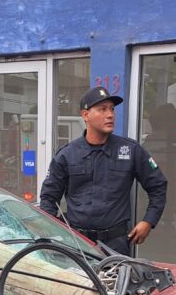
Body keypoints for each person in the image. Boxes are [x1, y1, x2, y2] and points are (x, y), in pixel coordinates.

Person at [40, 86, 168, 256]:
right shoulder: (67, 155)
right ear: (86, 115)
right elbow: (49, 198)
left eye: (112, 109)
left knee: (115, 283)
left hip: (116, 245)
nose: (110, 115)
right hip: (77, 244)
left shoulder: (130, 150)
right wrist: (55, 233)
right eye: (102, 109)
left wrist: (148, 221)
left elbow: (158, 185)